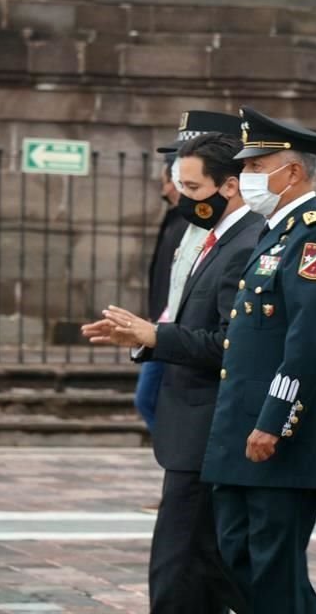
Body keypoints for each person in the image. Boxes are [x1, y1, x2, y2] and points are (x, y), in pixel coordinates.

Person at [82, 133, 262, 614]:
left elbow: (231, 343)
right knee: (204, 563)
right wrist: (144, 339)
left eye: (193, 186)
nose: (183, 197)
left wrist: (155, 336)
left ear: (229, 186)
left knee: (180, 564)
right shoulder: (213, 237)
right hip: (190, 426)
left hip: (208, 427)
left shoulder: (246, 243)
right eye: (179, 185)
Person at [199, 106, 316, 614]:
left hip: (281, 437)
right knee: (238, 556)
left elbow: (308, 344)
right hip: (243, 435)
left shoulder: (314, 239)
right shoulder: (275, 234)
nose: (247, 178)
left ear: (293, 172)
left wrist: (273, 422)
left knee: (273, 570)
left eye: (258, 167)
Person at [135, 110, 247, 431]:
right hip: (174, 331)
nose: (173, 180)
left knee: (158, 404)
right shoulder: (188, 216)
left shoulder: (231, 226)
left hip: (191, 338)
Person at [133, 153, 188, 432]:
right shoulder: (176, 220)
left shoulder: (187, 224)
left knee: (148, 398)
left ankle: (172, 447)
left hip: (170, 329)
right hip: (162, 326)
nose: (164, 189)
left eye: (167, 182)